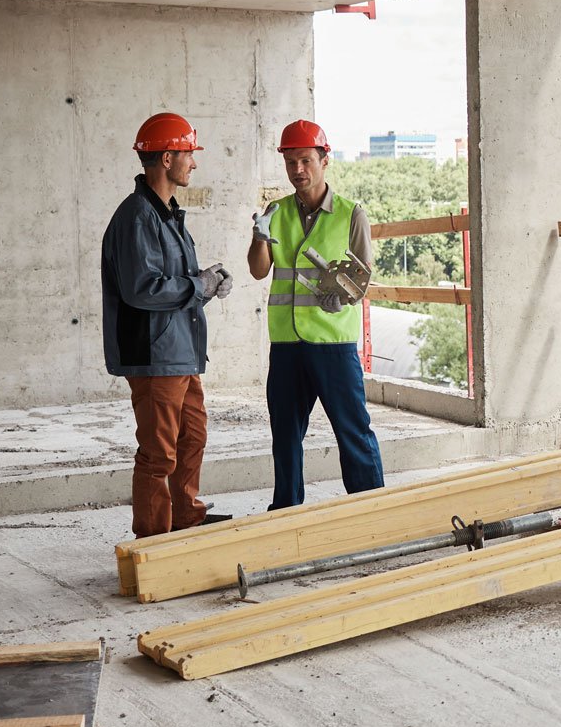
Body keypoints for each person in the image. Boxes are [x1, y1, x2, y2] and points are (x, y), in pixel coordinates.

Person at [101, 112, 234, 537]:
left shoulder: (168, 214)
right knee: (159, 453)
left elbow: (176, 287)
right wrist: (199, 284)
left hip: (180, 353)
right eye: (188, 154)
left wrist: (207, 285)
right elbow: (143, 289)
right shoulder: (138, 217)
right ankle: (154, 539)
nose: (193, 162)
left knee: (192, 437)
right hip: (155, 356)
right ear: (165, 158)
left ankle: (185, 518)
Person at [247, 119, 385, 510]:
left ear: (324, 160)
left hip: (333, 344)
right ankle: (286, 510)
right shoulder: (276, 212)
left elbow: (362, 281)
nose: (297, 171)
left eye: (305, 161)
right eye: (291, 163)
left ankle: (372, 510)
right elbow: (259, 270)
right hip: (287, 344)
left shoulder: (350, 214)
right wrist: (259, 239)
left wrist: (342, 297)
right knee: (286, 436)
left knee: (352, 431)